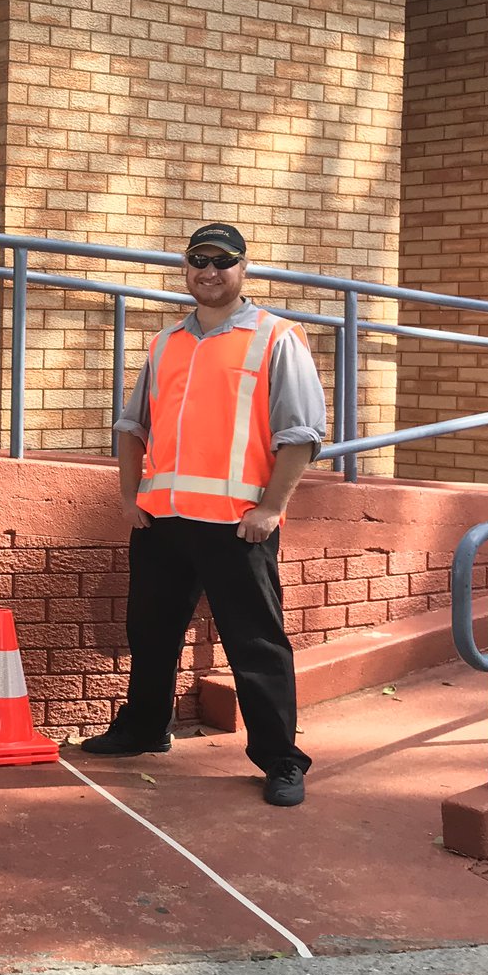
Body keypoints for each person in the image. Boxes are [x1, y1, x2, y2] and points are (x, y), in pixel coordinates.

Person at [86, 222, 327, 808]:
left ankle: (281, 760)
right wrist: (129, 497)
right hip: (163, 521)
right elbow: (132, 425)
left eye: (223, 261)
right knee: (149, 632)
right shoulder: (166, 343)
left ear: (244, 269)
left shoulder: (276, 338)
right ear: (187, 268)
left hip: (237, 523)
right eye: (199, 260)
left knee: (256, 645)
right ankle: (145, 728)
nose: (209, 271)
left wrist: (271, 508)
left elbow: (302, 434)